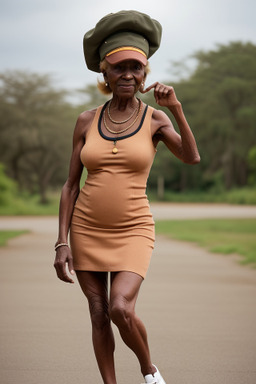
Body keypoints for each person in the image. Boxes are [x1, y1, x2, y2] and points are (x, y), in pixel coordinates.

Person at [54, 10, 200, 384]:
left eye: (137, 67)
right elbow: (71, 184)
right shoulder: (87, 120)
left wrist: (177, 110)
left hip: (134, 228)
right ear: (105, 74)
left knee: (120, 307)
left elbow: (190, 157)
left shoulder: (155, 119)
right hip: (86, 229)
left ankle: (149, 371)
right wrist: (61, 243)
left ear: (145, 73)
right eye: (120, 68)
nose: (129, 75)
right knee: (99, 312)